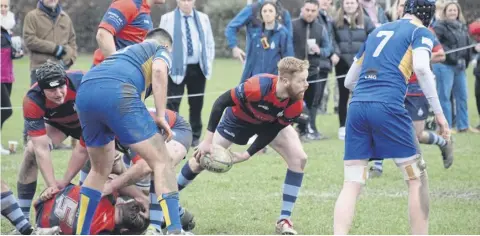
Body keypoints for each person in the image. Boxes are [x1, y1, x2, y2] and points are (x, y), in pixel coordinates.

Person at [332, 0, 450, 234]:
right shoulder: (420, 32)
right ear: (428, 14)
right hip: (387, 106)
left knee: (352, 181)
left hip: (357, 107)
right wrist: (439, 114)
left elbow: (348, 81)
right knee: (416, 178)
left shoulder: (377, 30)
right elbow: (423, 68)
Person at [179, 57, 309, 235]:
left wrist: (247, 154)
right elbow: (220, 103)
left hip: (268, 124)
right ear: (285, 81)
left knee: (299, 159)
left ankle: (284, 220)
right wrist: (207, 141)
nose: (307, 84)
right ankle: (163, 200)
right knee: (200, 160)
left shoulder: (296, 104)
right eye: (302, 80)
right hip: (237, 121)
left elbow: (272, 130)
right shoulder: (257, 87)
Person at [75, 28, 184, 235]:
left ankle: (82, 232)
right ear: (168, 46)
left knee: (99, 170)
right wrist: (161, 115)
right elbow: (160, 70)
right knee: (162, 160)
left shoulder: (122, 53)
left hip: (86, 90)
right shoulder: (160, 48)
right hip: (117, 90)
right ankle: (175, 230)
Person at [369, 0, 454, 178]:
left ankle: (442, 143)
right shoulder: (389, 30)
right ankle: (377, 166)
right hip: (395, 85)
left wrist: (419, 58)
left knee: (415, 135)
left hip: (417, 87)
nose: (401, 9)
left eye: (403, 6)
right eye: (399, 6)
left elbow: (441, 55)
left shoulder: (425, 32)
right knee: (381, 123)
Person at [78, 109, 195, 233]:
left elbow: (145, 166)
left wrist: (111, 186)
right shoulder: (95, 124)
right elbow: (82, 153)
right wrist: (71, 187)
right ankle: (179, 214)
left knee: (157, 165)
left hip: (174, 129)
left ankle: (156, 227)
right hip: (131, 139)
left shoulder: (129, 126)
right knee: (122, 180)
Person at [18, 62, 88, 222]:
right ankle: (22, 219)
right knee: (31, 150)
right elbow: (41, 149)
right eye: (51, 90)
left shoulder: (83, 82)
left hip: (88, 122)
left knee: (101, 158)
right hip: (59, 125)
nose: (58, 93)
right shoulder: (32, 100)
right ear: (42, 90)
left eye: (60, 87)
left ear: (66, 81)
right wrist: (53, 188)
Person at [159, 0, 215, 147]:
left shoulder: (203, 18)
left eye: (189, 0)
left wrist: (208, 61)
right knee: (173, 102)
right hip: (175, 68)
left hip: (198, 67)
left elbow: (209, 42)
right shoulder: (167, 19)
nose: (185, 3)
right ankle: (170, 134)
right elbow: (161, 43)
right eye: (182, 0)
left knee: (196, 103)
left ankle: (195, 137)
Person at [34, 181, 149, 235]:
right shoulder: (103, 232)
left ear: (121, 203)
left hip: (48, 200)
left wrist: (140, 196)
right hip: (43, 223)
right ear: (124, 231)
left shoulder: (108, 196)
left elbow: (115, 178)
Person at [225, 0, 293, 83]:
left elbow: (288, 46)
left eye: (271, 11)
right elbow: (231, 27)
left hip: (275, 73)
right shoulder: (252, 9)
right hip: (253, 67)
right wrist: (234, 47)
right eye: (265, 11)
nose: (267, 14)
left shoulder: (284, 14)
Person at [292, 0, 332, 140]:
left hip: (313, 72)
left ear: (317, 12)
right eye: (307, 10)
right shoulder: (292, 25)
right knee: (292, 102)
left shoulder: (321, 29)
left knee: (312, 104)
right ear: (302, 9)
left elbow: (328, 49)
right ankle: (290, 131)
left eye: (313, 11)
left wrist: (319, 50)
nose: (310, 13)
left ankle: (309, 129)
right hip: (294, 73)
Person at [92, 0, 166, 66]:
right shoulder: (129, 3)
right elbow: (103, 34)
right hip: (107, 77)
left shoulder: (143, 9)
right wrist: (116, 70)